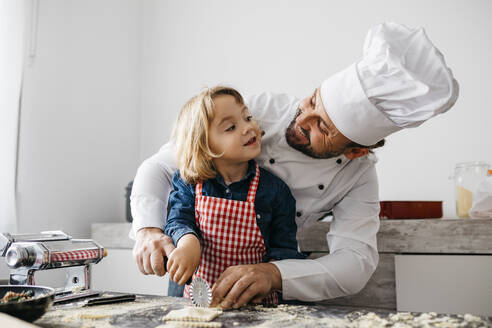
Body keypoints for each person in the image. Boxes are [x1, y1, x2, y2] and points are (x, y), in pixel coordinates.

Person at [130, 22, 459, 309]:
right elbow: (160, 168)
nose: (303, 119)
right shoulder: (258, 111)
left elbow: (356, 262)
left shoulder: (357, 175)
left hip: (260, 291)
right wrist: (148, 230)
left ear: (357, 151)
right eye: (313, 100)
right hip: (195, 278)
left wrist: (274, 274)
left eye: (323, 128)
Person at [163, 86, 306, 302]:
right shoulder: (190, 183)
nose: (248, 128)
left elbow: (284, 251)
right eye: (231, 127)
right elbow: (178, 219)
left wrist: (269, 276)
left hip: (254, 304)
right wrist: (187, 241)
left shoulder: (275, 191)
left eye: (248, 117)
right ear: (204, 144)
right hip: (201, 301)